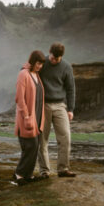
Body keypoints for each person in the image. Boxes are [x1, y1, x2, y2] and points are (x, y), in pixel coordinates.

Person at [36, 42, 77, 178]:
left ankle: (63, 169)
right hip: (43, 105)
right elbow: (29, 72)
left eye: (57, 59)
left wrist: (70, 109)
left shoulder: (66, 67)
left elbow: (71, 89)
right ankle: (44, 171)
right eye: (53, 58)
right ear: (49, 52)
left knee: (65, 137)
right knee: (42, 139)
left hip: (60, 105)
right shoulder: (42, 63)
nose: (54, 61)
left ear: (61, 57)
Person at [13, 49, 47, 184]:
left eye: (42, 64)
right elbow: (19, 98)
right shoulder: (23, 74)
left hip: (38, 116)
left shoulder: (37, 75)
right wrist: (26, 116)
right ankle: (19, 174)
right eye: (38, 63)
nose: (40, 66)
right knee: (30, 146)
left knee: (35, 145)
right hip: (26, 117)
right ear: (33, 61)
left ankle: (28, 174)